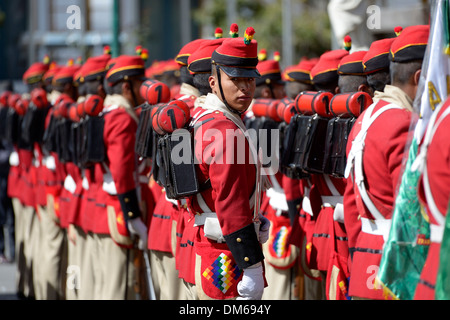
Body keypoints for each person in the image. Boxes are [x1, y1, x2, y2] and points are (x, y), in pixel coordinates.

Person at [343, 24, 429, 300]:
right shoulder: (403, 124)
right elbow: (414, 213)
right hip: (399, 269)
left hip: (365, 263)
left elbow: (351, 207)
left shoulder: (365, 119)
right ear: (420, 77)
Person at [187, 27, 270, 300]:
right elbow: (230, 204)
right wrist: (253, 267)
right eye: (235, 79)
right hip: (225, 258)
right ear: (213, 82)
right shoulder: (225, 129)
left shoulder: (207, 116)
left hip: (213, 247)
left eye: (250, 78)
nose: (245, 86)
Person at [96, 54, 152, 300]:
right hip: (120, 206)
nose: (145, 88)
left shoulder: (109, 110)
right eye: (141, 82)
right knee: (120, 285)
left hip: (111, 201)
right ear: (127, 86)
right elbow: (120, 169)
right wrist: (133, 214)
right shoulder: (121, 116)